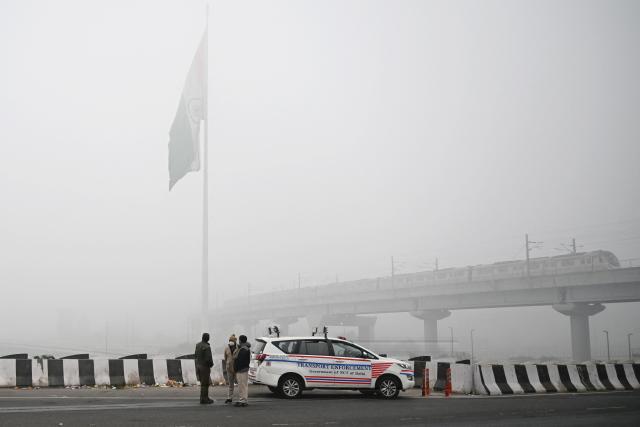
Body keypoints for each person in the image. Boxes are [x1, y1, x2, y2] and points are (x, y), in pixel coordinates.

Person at [195, 332, 214, 404]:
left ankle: (203, 398)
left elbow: (196, 355)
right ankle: (205, 399)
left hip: (199, 365)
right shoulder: (207, 347)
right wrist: (211, 365)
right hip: (205, 367)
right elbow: (208, 359)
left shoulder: (198, 345)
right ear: (207, 338)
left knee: (202, 383)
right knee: (205, 384)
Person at [233, 334, 251, 407]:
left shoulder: (244, 349)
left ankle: (243, 400)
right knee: (243, 385)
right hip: (243, 369)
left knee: (242, 386)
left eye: (239, 340)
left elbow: (240, 360)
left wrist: (236, 368)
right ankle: (242, 399)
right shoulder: (243, 348)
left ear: (240, 340)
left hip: (241, 370)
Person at [223, 334, 238, 404]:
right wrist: (228, 364)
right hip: (229, 368)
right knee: (231, 385)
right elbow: (225, 358)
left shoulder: (238, 348)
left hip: (237, 368)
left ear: (235, 341)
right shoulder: (226, 348)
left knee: (240, 384)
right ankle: (229, 398)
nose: (231, 342)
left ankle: (242, 398)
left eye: (232, 340)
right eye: (230, 340)